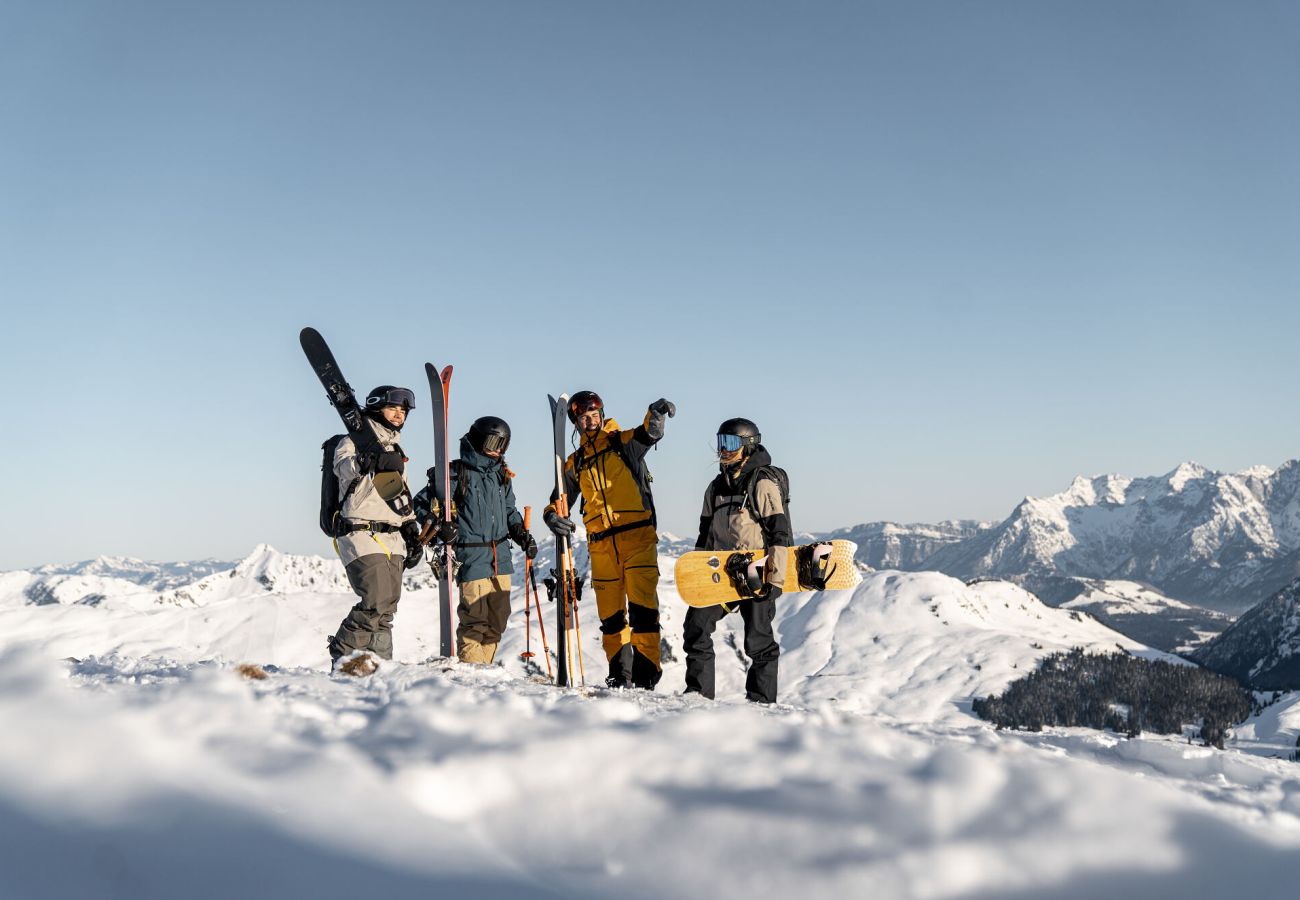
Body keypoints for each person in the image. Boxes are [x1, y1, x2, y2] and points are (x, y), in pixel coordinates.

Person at [544, 391, 675, 689]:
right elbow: (558, 498)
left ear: (602, 415)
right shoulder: (576, 463)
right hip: (601, 546)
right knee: (612, 619)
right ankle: (619, 676)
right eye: (583, 418)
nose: (590, 421)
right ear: (577, 424)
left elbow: (648, 434)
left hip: (637, 539)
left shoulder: (622, 443)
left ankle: (645, 678)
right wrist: (551, 515)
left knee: (643, 612)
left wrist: (656, 414)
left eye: (594, 415)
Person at [682, 417, 790, 704]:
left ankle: (762, 702)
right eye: (720, 442)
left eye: (730, 443)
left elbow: (779, 534)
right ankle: (698, 696)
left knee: (758, 641)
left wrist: (775, 579)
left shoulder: (762, 483)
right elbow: (705, 537)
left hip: (757, 574)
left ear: (747, 446)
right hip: (723, 575)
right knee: (696, 625)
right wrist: (698, 576)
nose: (723, 450)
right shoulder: (715, 488)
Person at [414, 416, 538, 664]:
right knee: (475, 621)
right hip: (472, 557)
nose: (498, 448)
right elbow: (420, 504)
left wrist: (521, 534)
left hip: (500, 558)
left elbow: (509, 510)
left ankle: (484, 672)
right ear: (479, 439)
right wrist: (440, 527)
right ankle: (473, 678)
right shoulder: (456, 473)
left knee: (498, 621)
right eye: (493, 441)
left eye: (503, 444)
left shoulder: (502, 475)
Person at [328, 385, 424, 667]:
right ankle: (343, 661)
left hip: (392, 536)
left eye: (403, 411)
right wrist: (369, 459)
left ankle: (379, 668)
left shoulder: (395, 447)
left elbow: (399, 494)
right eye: (393, 408)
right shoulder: (353, 441)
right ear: (376, 408)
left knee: (386, 609)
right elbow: (343, 468)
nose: (399, 414)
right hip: (361, 532)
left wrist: (410, 528)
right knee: (375, 601)